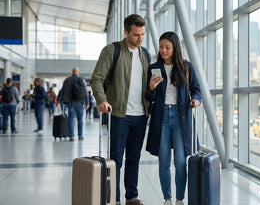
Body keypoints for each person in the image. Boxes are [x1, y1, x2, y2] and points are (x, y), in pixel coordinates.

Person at [90, 14, 151, 205]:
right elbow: (97, 78)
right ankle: (114, 199)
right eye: (135, 35)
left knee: (134, 158)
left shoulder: (145, 54)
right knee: (116, 160)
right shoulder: (112, 50)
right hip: (118, 114)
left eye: (142, 34)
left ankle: (131, 197)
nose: (140, 38)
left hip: (140, 116)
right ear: (126, 32)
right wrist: (101, 100)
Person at [146, 31, 201, 205]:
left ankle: (180, 199)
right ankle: (167, 199)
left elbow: (196, 89)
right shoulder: (154, 68)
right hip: (161, 117)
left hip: (181, 117)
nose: (163, 50)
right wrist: (151, 88)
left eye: (167, 47)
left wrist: (195, 100)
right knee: (164, 161)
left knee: (180, 161)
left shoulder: (186, 67)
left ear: (175, 48)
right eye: (161, 47)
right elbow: (149, 97)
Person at [59, 67, 89, 141]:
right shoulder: (81, 79)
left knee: (71, 119)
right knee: (80, 119)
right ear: (78, 72)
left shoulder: (67, 80)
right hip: (80, 101)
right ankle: (80, 135)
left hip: (70, 102)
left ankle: (71, 136)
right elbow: (85, 91)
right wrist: (87, 102)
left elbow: (63, 91)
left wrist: (62, 100)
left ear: (72, 72)